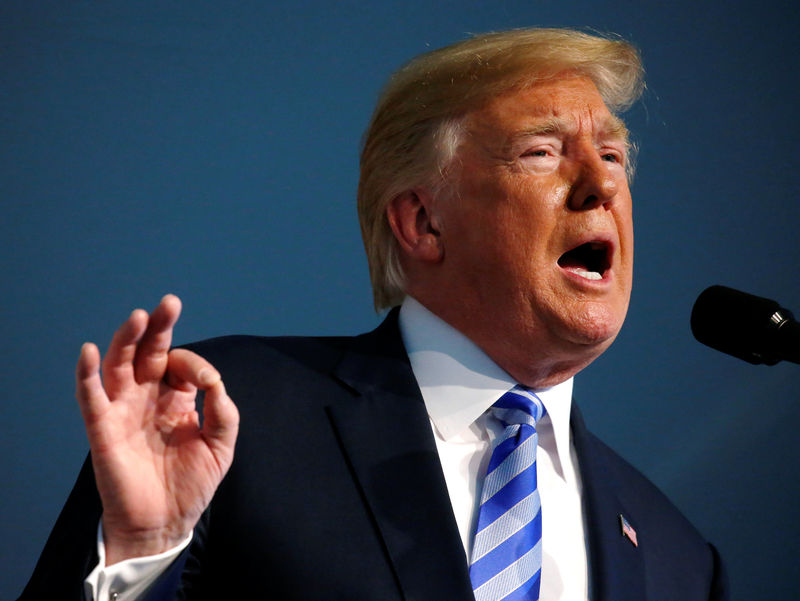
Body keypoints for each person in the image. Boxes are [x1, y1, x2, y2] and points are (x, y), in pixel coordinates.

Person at [19, 28, 728, 601]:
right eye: (542, 152)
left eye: (612, 155)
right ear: (422, 222)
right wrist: (140, 558)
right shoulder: (228, 417)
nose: (602, 183)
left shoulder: (679, 558)